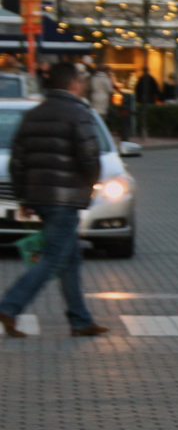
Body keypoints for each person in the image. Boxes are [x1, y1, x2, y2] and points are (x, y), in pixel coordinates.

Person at [0, 62, 109, 338]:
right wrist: (90, 183)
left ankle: (80, 319)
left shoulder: (33, 115)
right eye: (81, 80)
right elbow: (89, 156)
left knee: (70, 259)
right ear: (73, 84)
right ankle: (9, 306)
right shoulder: (78, 113)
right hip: (65, 199)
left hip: (40, 198)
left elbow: (18, 161)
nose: (83, 85)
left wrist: (24, 195)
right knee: (52, 259)